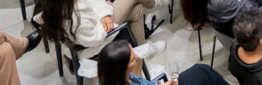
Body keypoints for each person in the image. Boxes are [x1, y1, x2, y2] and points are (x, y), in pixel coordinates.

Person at [33, 0, 163, 59]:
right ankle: (154, 4)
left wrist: (104, 13)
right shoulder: (72, 17)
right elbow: (93, 39)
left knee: (137, 9)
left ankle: (142, 48)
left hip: (100, 19)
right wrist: (104, 20)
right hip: (100, 34)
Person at [97, 40, 230, 85]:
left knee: (200, 70)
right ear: (121, 69)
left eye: (134, 52)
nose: (137, 57)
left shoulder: (109, 78)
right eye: (132, 59)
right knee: (203, 73)